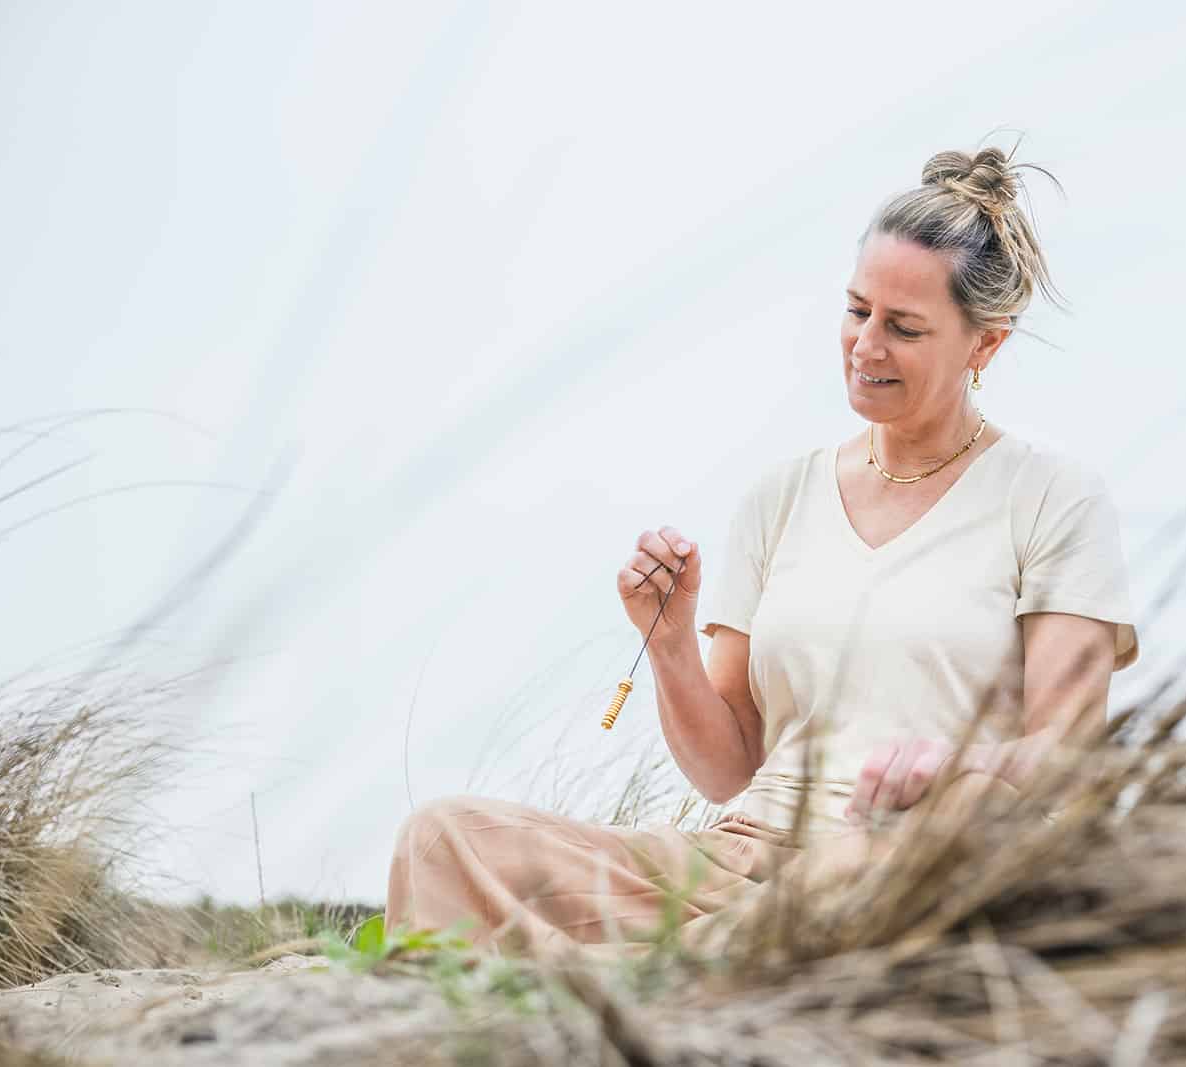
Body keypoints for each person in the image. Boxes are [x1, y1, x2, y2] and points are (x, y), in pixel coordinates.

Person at [384, 142, 1140, 958]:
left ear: (984, 346)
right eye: (857, 311)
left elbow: (1066, 757)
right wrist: (671, 644)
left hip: (906, 860)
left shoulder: (1054, 497)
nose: (866, 345)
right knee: (442, 841)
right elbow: (729, 768)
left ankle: (636, 992)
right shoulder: (779, 498)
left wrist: (950, 769)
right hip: (742, 856)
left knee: (832, 888)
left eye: (905, 327)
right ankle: (655, 980)